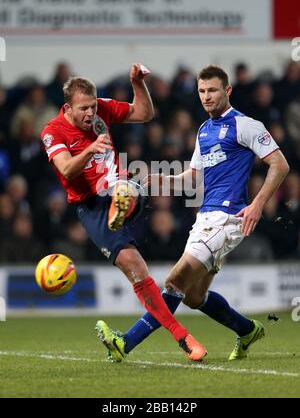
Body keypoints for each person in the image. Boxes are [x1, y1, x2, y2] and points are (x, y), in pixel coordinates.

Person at [98, 65, 290, 363]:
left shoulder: (245, 125)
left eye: (212, 90)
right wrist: (164, 179)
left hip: (227, 218)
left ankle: (126, 342)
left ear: (227, 91)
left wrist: (257, 204)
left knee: (174, 282)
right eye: (201, 91)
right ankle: (247, 329)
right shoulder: (203, 130)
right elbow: (194, 178)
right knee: (193, 296)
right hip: (205, 218)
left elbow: (280, 164)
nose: (206, 96)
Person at [40, 63, 206, 362]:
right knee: (135, 266)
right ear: (67, 107)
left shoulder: (101, 109)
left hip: (119, 185)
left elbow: (144, 114)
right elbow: (65, 168)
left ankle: (123, 204)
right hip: (89, 205)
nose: (91, 114)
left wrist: (137, 84)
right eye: (83, 109)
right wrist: (90, 150)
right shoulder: (52, 132)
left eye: (93, 106)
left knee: (125, 188)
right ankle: (182, 336)